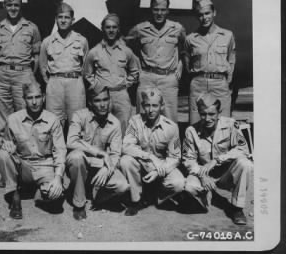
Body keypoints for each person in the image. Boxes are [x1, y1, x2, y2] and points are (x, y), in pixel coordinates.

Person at [0, 81, 67, 219]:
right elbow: (5, 141)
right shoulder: (13, 119)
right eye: (30, 98)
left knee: (56, 197)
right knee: (3, 154)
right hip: (23, 166)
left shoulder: (53, 120)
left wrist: (58, 178)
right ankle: (14, 196)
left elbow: (60, 151)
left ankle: (39, 192)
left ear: (43, 98)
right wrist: (6, 144)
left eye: (37, 97)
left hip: (45, 165)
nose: (34, 102)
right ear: (24, 99)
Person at [182, 93, 253, 225]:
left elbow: (243, 149)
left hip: (226, 175)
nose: (207, 118)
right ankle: (206, 196)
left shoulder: (231, 124)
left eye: (212, 114)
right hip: (204, 173)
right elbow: (188, 160)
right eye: (203, 114)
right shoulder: (191, 131)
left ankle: (237, 208)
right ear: (198, 113)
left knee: (245, 164)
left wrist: (217, 160)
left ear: (218, 113)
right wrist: (202, 176)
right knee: (189, 187)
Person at [66, 85, 130, 220]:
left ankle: (97, 197)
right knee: (76, 157)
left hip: (100, 167)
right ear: (90, 103)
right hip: (81, 163)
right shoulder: (80, 115)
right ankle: (79, 204)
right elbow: (71, 141)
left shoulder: (114, 123)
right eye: (97, 101)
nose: (103, 105)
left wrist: (108, 168)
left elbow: (115, 154)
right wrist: (100, 153)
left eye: (105, 100)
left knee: (122, 186)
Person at [120, 87, 184, 215]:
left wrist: (159, 171)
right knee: (126, 161)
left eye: (155, 105)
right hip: (142, 163)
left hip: (161, 166)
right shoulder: (135, 121)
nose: (150, 110)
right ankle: (136, 200)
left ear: (162, 106)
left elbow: (175, 157)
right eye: (147, 105)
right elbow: (126, 146)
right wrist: (149, 156)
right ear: (142, 106)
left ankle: (156, 196)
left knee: (178, 183)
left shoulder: (171, 127)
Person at [0, 0, 42, 143]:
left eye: (16, 5)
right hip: (3, 75)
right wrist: (3, 70)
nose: (13, 8)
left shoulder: (31, 28)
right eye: (9, 5)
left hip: (24, 73)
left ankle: (25, 148)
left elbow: (37, 56)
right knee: (2, 112)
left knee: (24, 111)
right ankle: (5, 150)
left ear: (21, 6)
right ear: (4, 6)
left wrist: (28, 73)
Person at [126, 0, 185, 122]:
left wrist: (181, 63)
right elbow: (125, 47)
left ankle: (172, 143)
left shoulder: (177, 28)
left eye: (163, 10)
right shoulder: (140, 29)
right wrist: (135, 65)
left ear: (168, 10)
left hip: (168, 78)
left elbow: (187, 48)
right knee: (143, 119)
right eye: (156, 9)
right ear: (151, 10)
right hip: (147, 78)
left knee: (170, 120)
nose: (159, 13)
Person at [84, 13, 140, 135]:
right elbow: (87, 74)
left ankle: (120, 153)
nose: (111, 30)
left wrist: (126, 83)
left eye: (114, 27)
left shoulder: (126, 51)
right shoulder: (94, 51)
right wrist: (98, 87)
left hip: (121, 94)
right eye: (108, 27)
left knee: (123, 126)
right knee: (101, 128)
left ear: (118, 29)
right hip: (102, 96)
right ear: (102, 28)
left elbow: (134, 70)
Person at [184, 0, 236, 124]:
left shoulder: (227, 35)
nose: (204, 17)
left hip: (220, 84)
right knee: (196, 126)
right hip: (198, 85)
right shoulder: (191, 39)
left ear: (214, 13)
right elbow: (187, 62)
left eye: (207, 13)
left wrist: (226, 81)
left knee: (224, 125)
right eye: (200, 15)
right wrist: (195, 80)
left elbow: (231, 60)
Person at [39, 2, 89, 131]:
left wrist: (77, 79)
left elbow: (86, 67)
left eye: (66, 17)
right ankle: (57, 151)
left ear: (72, 20)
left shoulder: (81, 40)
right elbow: (43, 66)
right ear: (55, 19)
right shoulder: (47, 41)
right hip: (55, 84)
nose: (63, 20)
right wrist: (51, 82)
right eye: (60, 17)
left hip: (75, 83)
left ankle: (77, 151)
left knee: (77, 121)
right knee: (53, 122)